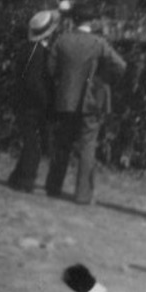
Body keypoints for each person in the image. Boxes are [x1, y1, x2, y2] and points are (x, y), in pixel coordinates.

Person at [45, 15, 126, 203]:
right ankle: (83, 194)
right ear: (92, 22)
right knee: (87, 147)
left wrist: (64, 81)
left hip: (66, 99)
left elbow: (51, 68)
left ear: (74, 21)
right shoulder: (98, 43)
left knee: (62, 144)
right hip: (90, 101)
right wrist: (102, 80)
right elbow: (120, 65)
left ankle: (53, 186)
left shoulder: (62, 40)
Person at [8, 10, 60, 191]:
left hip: (25, 101)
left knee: (32, 141)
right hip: (32, 104)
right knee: (34, 144)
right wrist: (46, 100)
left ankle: (18, 176)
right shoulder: (37, 52)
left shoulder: (28, 49)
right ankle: (25, 179)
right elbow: (33, 81)